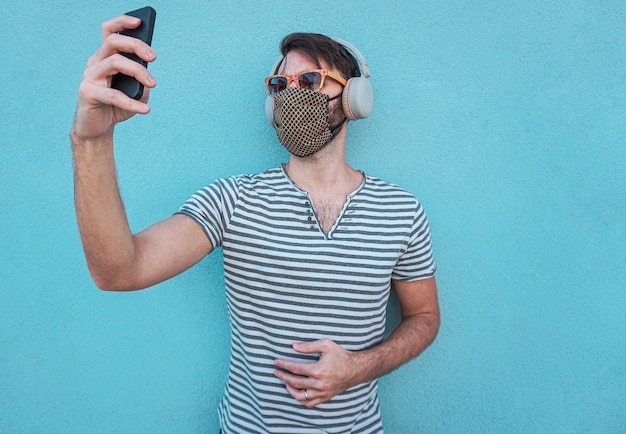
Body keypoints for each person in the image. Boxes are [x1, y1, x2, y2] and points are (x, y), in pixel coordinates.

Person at [71, 13, 440, 434]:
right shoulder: (232, 200)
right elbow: (120, 271)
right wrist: (92, 139)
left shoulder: (402, 210)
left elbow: (424, 316)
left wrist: (359, 367)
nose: (292, 95)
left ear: (357, 97)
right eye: (281, 85)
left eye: (312, 81)